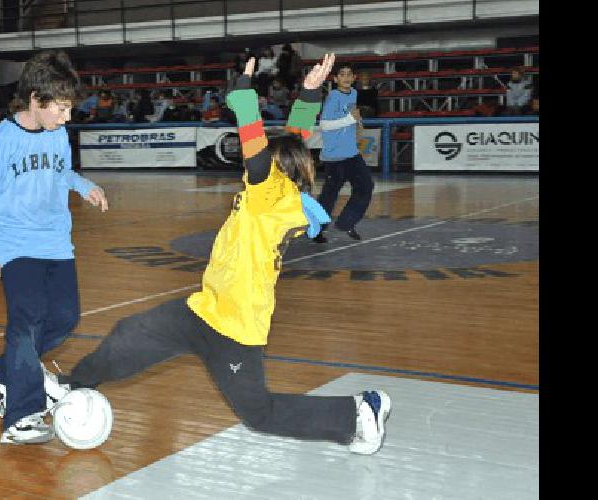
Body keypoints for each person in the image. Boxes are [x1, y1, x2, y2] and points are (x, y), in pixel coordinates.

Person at [31, 54, 392, 454]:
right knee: (131, 332)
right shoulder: (282, 187)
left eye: (264, 158)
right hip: (205, 308)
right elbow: (296, 136)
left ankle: (358, 413)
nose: (253, 161)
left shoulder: (269, 192)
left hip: (234, 327)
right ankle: (73, 385)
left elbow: (256, 141)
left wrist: (243, 93)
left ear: (275, 167)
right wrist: (309, 90)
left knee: (259, 414)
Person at [0, 49, 110, 445]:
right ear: (35, 100)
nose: (67, 118)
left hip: (56, 242)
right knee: (26, 324)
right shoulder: (1, 141)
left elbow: (61, 171)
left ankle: (2, 369)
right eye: (61, 109)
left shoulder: (57, 133)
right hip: (15, 244)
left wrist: (85, 187)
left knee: (65, 317)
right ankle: (21, 416)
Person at [314, 62, 371, 243]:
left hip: (352, 153)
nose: (346, 77)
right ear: (336, 79)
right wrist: (349, 119)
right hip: (334, 157)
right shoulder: (333, 96)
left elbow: (351, 116)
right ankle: (317, 229)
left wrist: (357, 122)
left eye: (349, 74)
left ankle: (346, 222)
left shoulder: (354, 93)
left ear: (354, 78)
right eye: (342, 74)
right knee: (329, 195)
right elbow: (325, 125)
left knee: (365, 187)